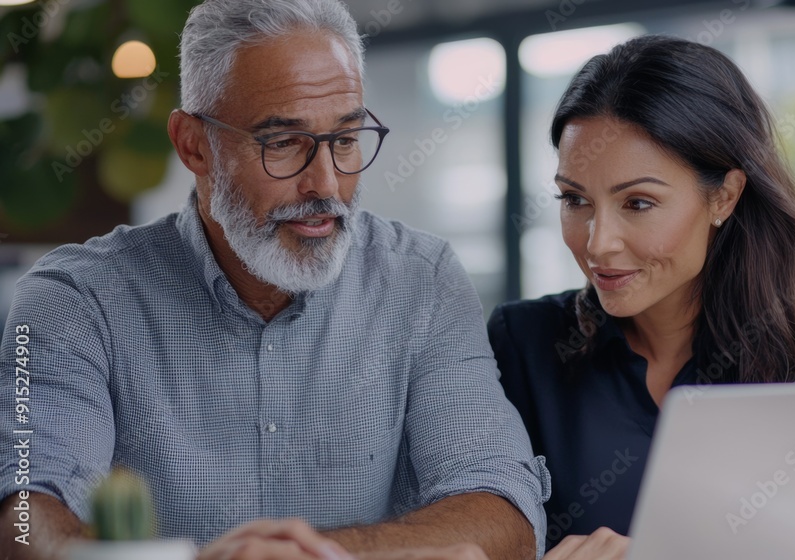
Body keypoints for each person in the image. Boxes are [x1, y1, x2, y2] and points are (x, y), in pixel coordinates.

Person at [0, 1, 550, 559]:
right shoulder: (71, 300)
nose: (327, 184)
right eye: (282, 143)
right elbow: (21, 520)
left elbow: (505, 510)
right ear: (194, 143)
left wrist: (303, 555)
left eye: (345, 138)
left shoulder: (422, 280)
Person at [488, 36, 795, 560]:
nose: (598, 242)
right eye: (575, 199)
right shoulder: (523, 343)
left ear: (724, 196)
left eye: (639, 202)